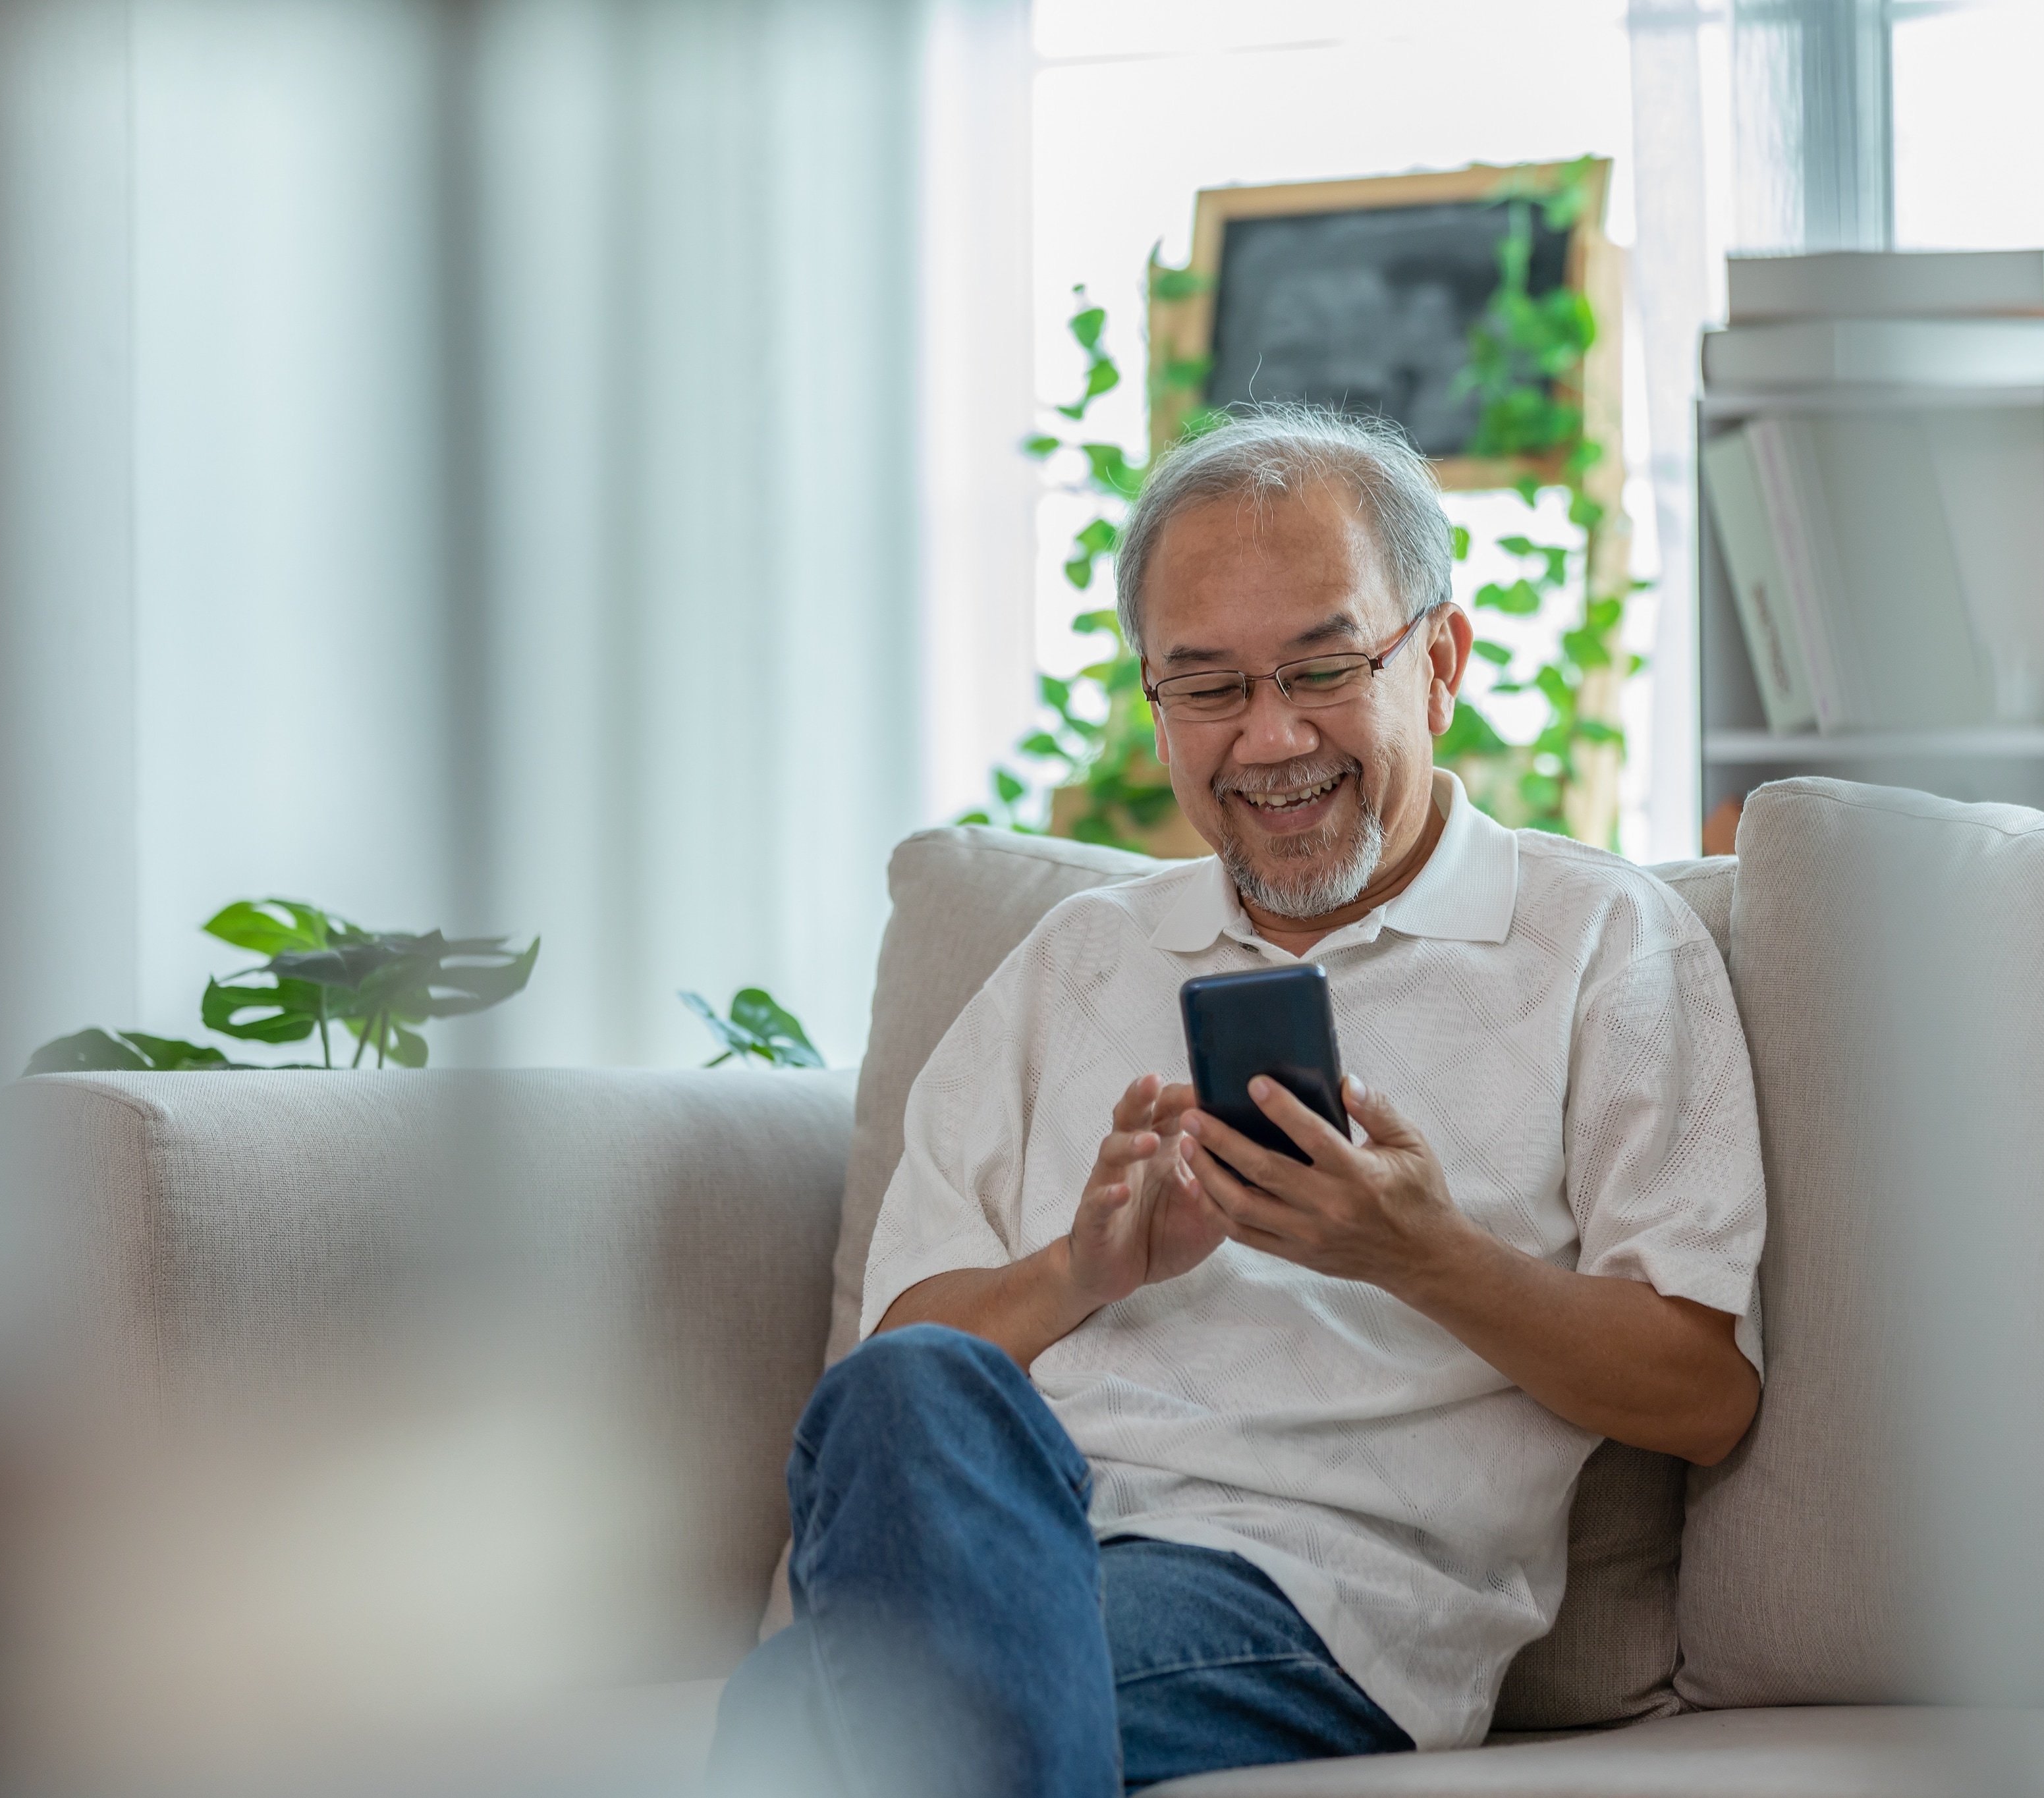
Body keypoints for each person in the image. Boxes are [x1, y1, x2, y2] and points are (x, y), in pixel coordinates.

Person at [708, 405, 1765, 1797]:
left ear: (1438, 662)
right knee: (913, 1390)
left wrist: (1417, 1253)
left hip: (1317, 1610)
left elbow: (1700, 1393)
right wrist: (1080, 1272)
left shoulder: (1595, 945)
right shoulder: (1073, 962)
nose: (1268, 739)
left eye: (1321, 668)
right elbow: (898, 1373)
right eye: (1205, 688)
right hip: (1020, 1536)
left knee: (812, 1711)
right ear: (1154, 702)